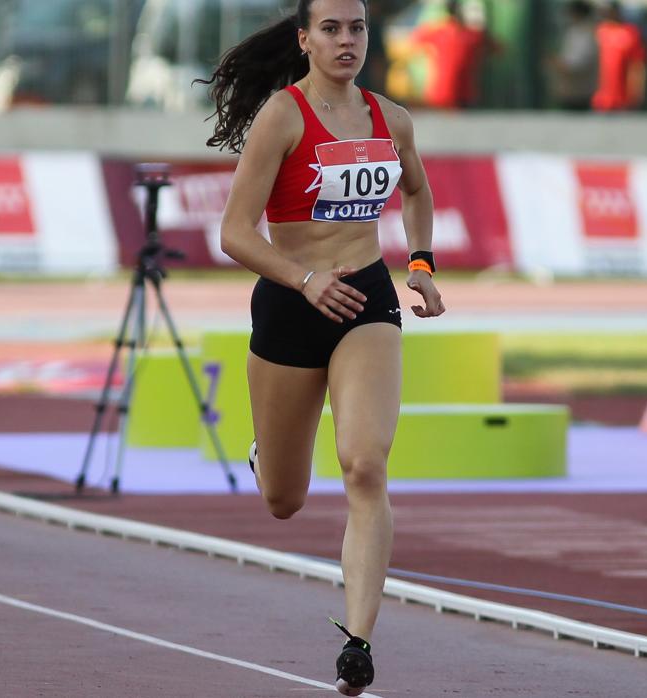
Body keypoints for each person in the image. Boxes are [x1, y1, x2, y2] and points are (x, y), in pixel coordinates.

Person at [199, 0, 445, 694]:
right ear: (304, 39)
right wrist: (305, 280)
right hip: (292, 299)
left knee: (365, 465)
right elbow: (235, 232)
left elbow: (419, 191)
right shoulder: (282, 116)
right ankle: (266, 454)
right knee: (285, 498)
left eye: (357, 28)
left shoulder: (390, 119)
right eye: (331, 29)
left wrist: (420, 264)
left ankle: (358, 642)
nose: (346, 40)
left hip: (366, 297)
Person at [410, 0, 487, 109]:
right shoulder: (472, 35)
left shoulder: (438, 32)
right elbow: (497, 49)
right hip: (463, 95)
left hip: (442, 94)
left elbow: (416, 39)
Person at [591, 1, 647, 112]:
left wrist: (637, 91)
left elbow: (637, 65)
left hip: (624, 100)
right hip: (601, 99)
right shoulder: (600, 31)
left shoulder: (630, 32)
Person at [551, 0, 599, 111]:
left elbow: (577, 64)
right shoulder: (574, 32)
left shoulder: (586, 34)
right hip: (569, 90)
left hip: (579, 92)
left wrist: (558, 64)